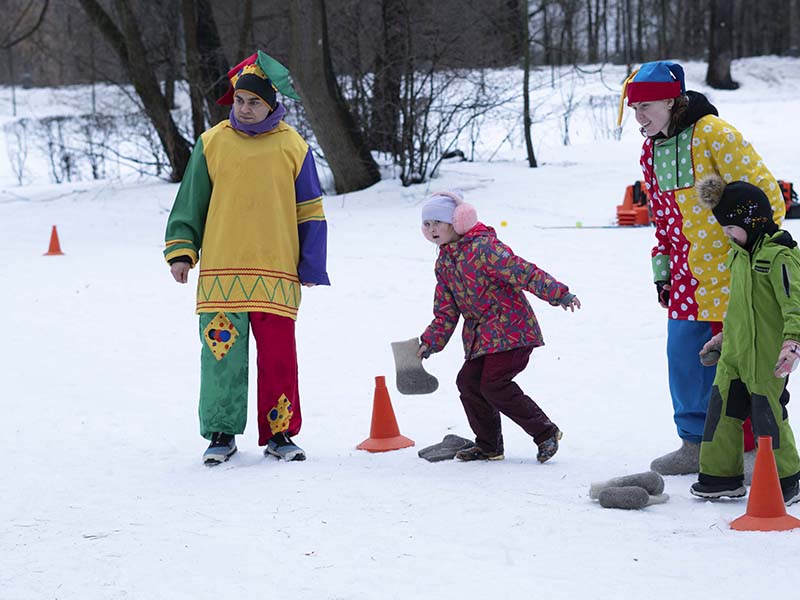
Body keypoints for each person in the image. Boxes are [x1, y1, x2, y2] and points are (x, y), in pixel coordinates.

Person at [619, 60, 786, 475]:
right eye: (634, 109)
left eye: (647, 107)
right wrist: (663, 271)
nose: (639, 118)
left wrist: (754, 255)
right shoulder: (651, 147)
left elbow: (767, 198)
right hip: (686, 282)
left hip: (734, 280)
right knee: (685, 362)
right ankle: (695, 443)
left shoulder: (715, 133)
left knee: (740, 368)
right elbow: (662, 220)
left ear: (672, 101)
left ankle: (752, 451)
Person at [164, 51, 329, 465]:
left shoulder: (293, 146)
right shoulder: (212, 143)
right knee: (220, 355)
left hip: (276, 271)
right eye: (240, 101)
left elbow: (309, 209)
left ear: (271, 103)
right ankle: (221, 432)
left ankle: (280, 434)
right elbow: (190, 202)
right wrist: (182, 251)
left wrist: (310, 263)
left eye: (254, 102)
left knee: (278, 357)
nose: (245, 109)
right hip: (222, 272)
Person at [415, 190, 581, 463]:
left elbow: (522, 271)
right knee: (468, 382)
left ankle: (545, 432)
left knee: (493, 385)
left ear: (457, 221)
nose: (432, 230)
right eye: (427, 224)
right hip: (483, 338)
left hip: (513, 329)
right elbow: (446, 311)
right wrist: (430, 342)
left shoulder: (484, 248)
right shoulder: (445, 262)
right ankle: (489, 445)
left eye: (438, 223)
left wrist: (558, 293)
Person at [690, 175, 800, 505]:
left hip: (768, 358)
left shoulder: (780, 258)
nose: (726, 234)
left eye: (730, 227)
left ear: (752, 221)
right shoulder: (738, 256)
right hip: (735, 356)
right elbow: (738, 309)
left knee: (768, 418)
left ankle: (787, 480)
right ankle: (720, 477)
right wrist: (724, 338)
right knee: (720, 414)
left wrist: (792, 342)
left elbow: (796, 304)